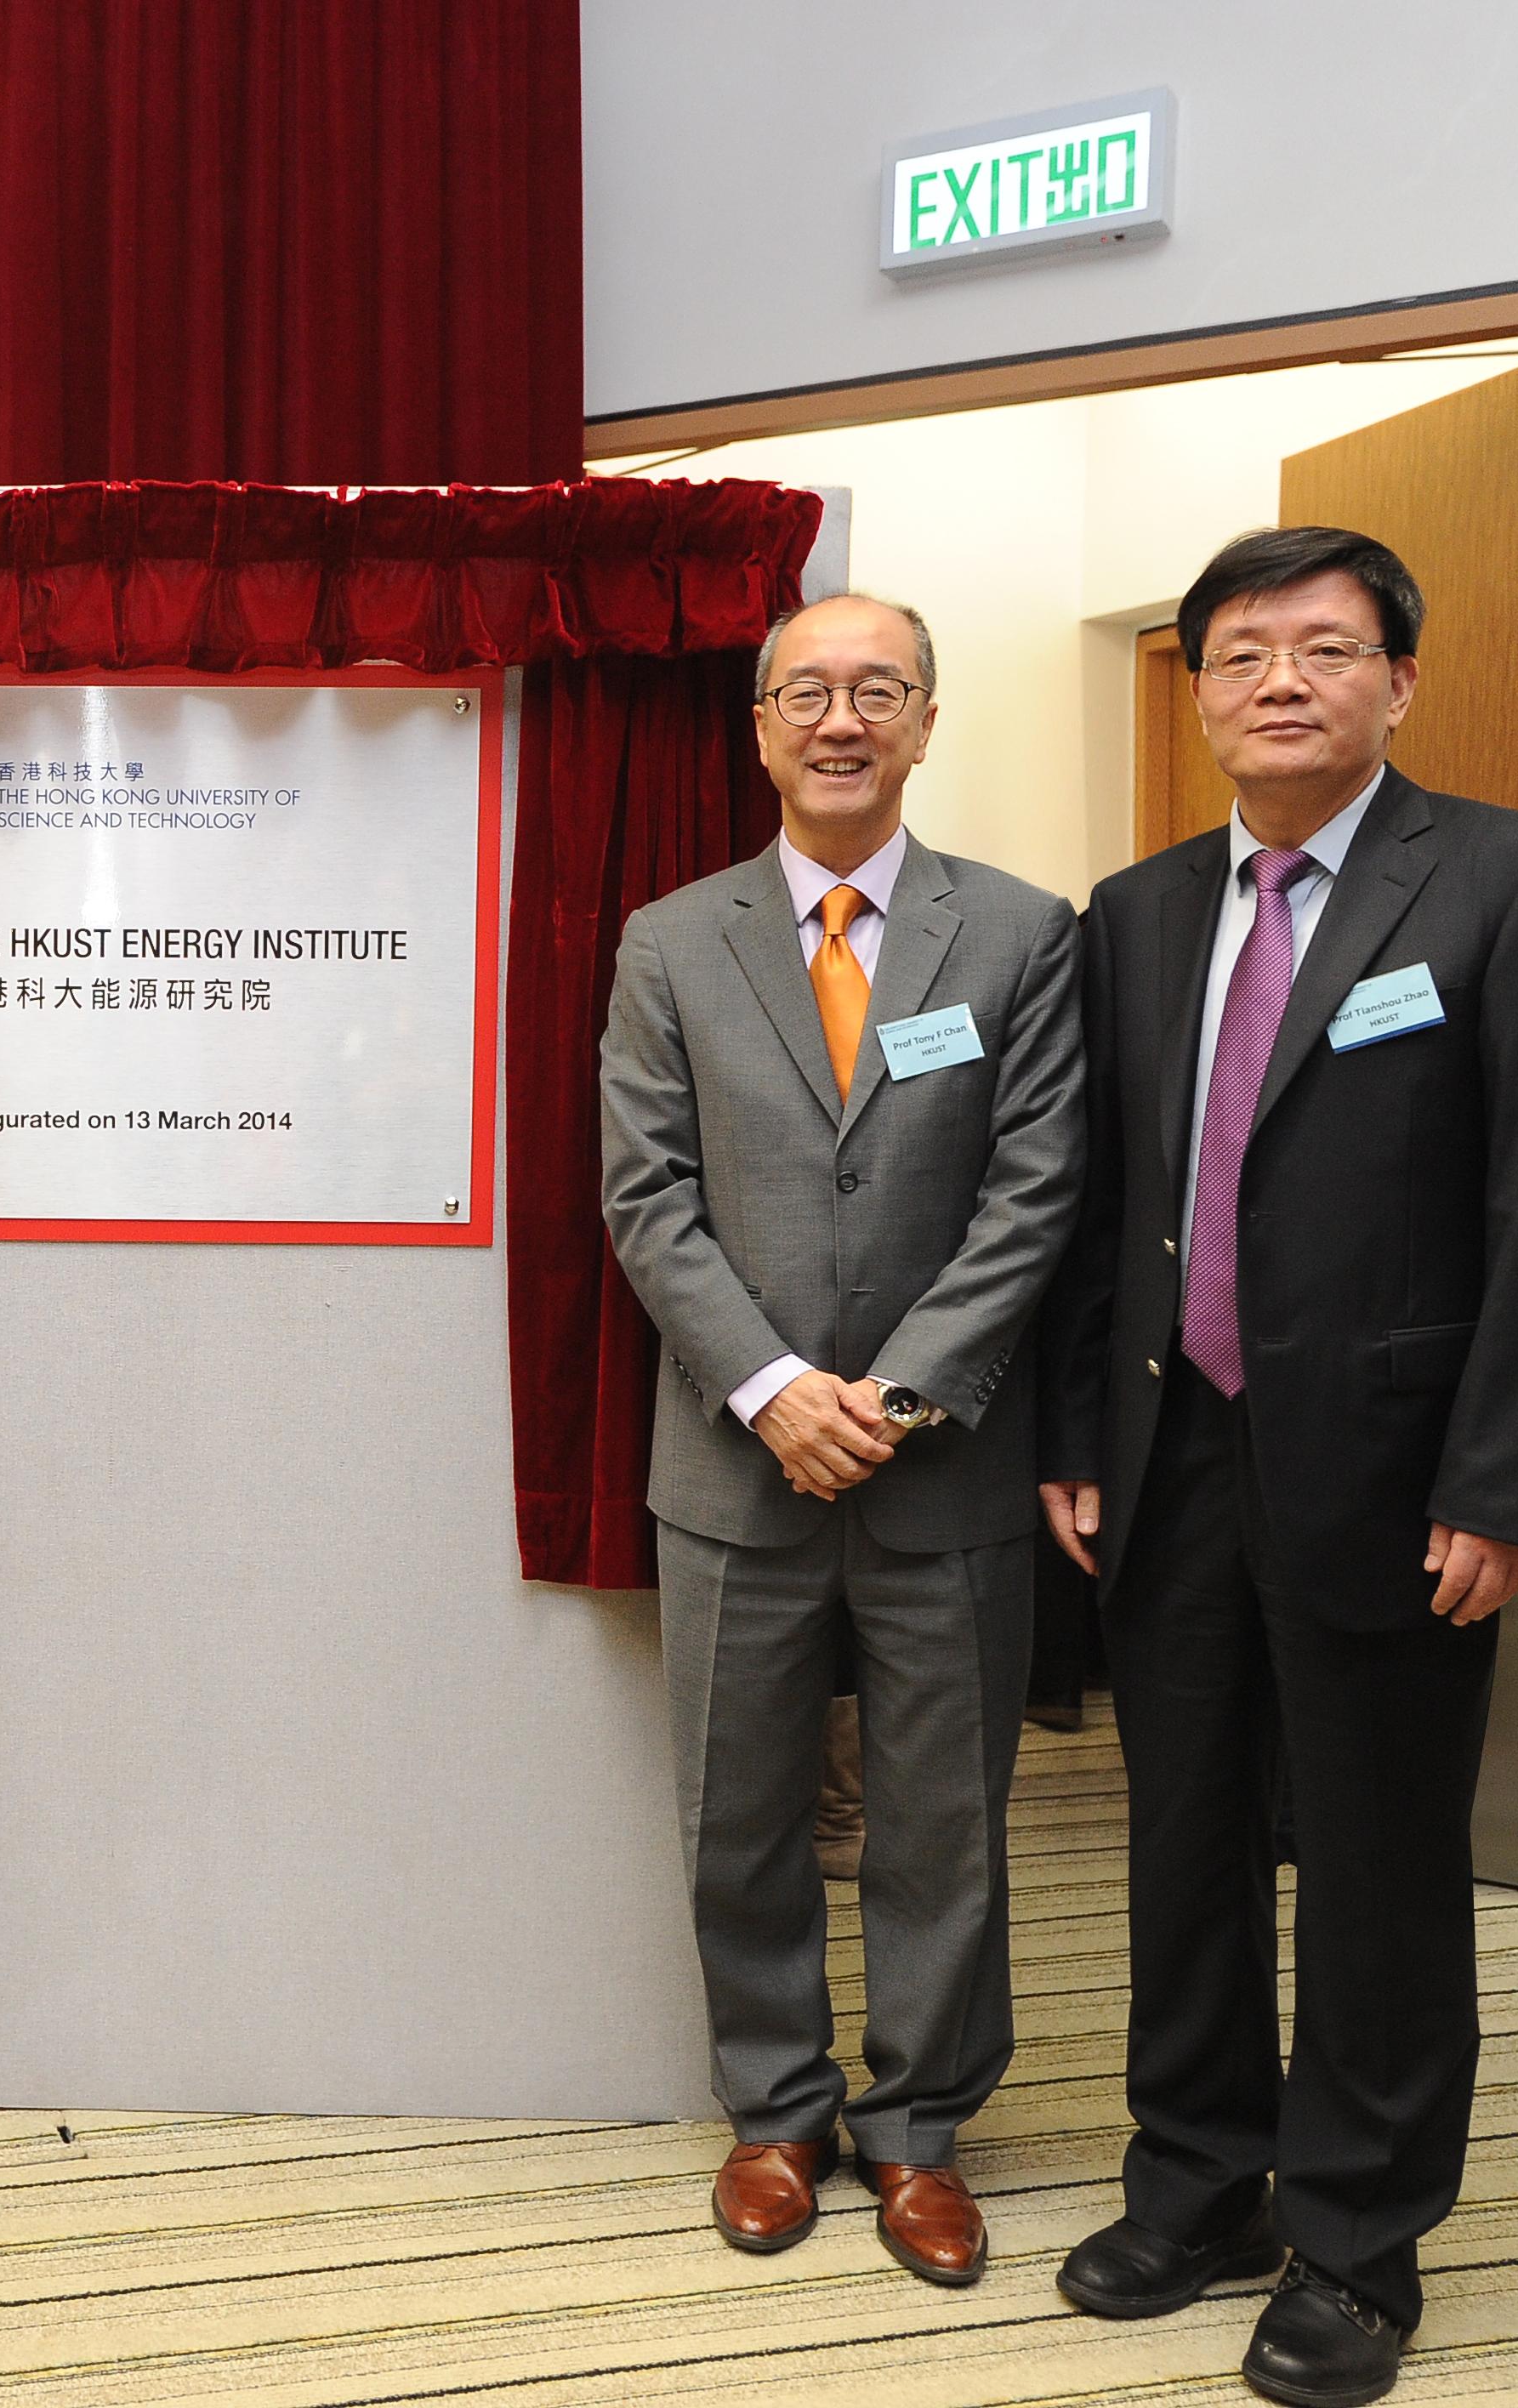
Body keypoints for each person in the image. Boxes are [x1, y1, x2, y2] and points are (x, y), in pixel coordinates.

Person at [1040, 527, 1518, 2408]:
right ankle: (1199, 2180)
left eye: (1322, 648)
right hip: (1166, 1446)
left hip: (1396, 1470)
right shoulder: (1129, 913)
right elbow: (1094, 1209)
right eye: (1237, 653)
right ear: (1196, 689)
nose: (1277, 681)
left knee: (1376, 1860)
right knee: (1181, 1842)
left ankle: (1359, 2244)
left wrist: (1512, 1478)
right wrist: (1073, 1436)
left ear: (1398, 681)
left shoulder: (1515, 881)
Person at [599, 593, 1084, 2290]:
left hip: (938, 1462)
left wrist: (894, 1392)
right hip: (735, 1465)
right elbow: (645, 1192)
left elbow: (1038, 1191)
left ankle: (920, 2132)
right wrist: (772, 1389)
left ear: (926, 722)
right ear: (757, 727)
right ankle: (776, 2112)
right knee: (738, 1814)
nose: (840, 716)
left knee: (942, 1818)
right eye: (806, 688)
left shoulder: (1021, 935)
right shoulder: (673, 939)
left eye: (877, 687)